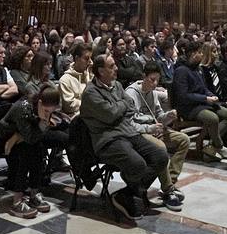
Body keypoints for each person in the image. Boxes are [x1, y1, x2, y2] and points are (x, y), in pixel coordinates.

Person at [80, 52, 169, 221]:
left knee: (160, 156)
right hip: (107, 140)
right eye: (111, 66)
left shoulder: (117, 85)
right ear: (100, 70)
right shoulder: (91, 93)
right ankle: (133, 193)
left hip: (128, 132)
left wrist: (117, 107)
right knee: (138, 164)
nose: (116, 68)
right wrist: (119, 106)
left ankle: (127, 193)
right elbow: (111, 114)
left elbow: (130, 107)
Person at [0, 86, 65, 218]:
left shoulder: (41, 108)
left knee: (38, 149)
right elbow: (31, 137)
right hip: (3, 139)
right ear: (39, 103)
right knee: (27, 151)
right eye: (46, 111)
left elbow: (32, 135)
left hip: (22, 136)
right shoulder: (23, 108)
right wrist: (43, 124)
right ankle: (17, 201)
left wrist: (19, 136)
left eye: (51, 111)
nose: (48, 114)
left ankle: (34, 192)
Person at [126, 62, 188, 210]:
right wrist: (150, 128)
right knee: (160, 147)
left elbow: (159, 116)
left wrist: (169, 116)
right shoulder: (131, 94)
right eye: (152, 79)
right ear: (144, 77)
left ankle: (170, 181)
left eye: (157, 80)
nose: (155, 84)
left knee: (184, 140)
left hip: (155, 129)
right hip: (140, 132)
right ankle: (168, 190)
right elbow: (129, 124)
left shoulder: (153, 93)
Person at [172, 40, 227, 161]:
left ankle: (211, 146)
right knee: (213, 118)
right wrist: (205, 99)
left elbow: (203, 88)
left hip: (201, 104)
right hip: (188, 108)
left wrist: (211, 95)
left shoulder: (197, 69)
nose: (202, 55)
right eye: (200, 52)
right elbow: (183, 96)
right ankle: (219, 146)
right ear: (193, 54)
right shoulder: (181, 71)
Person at [59, 41, 92, 119]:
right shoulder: (65, 80)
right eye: (87, 58)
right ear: (77, 58)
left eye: (91, 58)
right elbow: (70, 106)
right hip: (77, 119)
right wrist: (92, 103)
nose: (90, 62)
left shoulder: (90, 75)